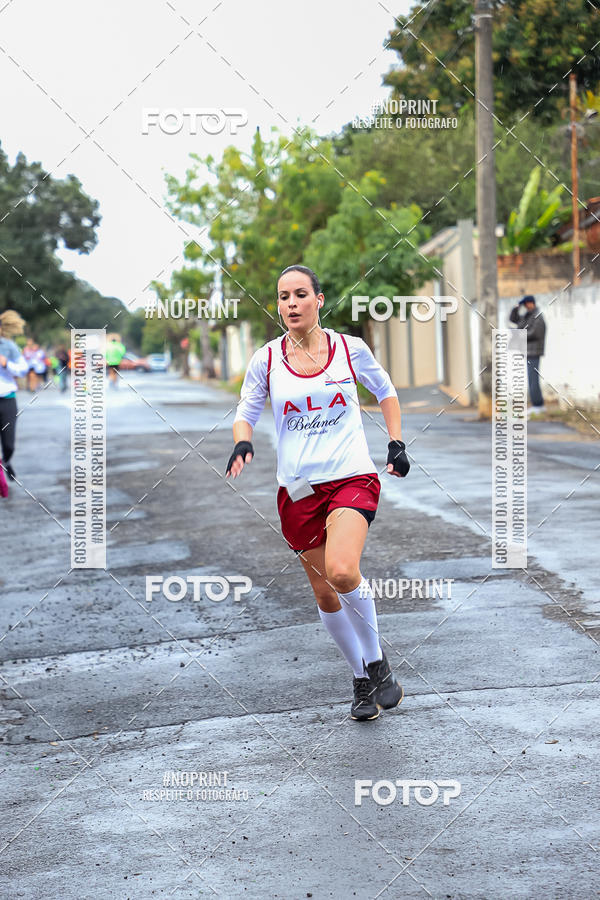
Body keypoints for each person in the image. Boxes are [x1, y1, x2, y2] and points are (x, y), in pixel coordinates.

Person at [225, 265, 410, 722]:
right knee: (326, 593)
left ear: (319, 300)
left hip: (351, 477)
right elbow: (245, 410)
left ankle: (376, 658)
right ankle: (363, 679)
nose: (290, 303)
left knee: (343, 572)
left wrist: (396, 441)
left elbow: (385, 390)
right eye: (283, 296)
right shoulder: (266, 359)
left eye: (300, 294)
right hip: (298, 490)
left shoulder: (350, 349)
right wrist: (242, 440)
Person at [0, 310, 28, 495]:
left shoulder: (8, 346)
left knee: (8, 445)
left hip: (7, 400)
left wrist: (6, 364)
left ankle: (6, 461)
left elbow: (23, 369)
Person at [509, 294, 546, 414]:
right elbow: (513, 319)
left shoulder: (537, 317)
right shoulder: (527, 316)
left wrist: (519, 335)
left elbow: (536, 333)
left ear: (531, 303)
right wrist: (516, 307)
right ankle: (537, 405)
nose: (525, 306)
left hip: (534, 352)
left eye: (526, 304)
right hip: (528, 351)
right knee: (531, 379)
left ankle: (538, 406)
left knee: (533, 379)